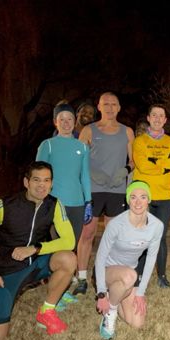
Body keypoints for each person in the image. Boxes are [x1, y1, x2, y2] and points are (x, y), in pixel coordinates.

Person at [0, 162, 76, 340]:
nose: (42, 185)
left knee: (68, 258)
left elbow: (69, 241)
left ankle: (47, 311)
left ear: (51, 183)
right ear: (26, 182)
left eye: (46, 180)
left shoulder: (54, 205)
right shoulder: (3, 206)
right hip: (7, 272)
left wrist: (35, 248)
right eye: (36, 180)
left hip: (36, 263)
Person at [73, 92, 135, 295]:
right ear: (99, 107)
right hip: (93, 191)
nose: (110, 107)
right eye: (105, 104)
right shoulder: (88, 131)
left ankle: (104, 275)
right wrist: (92, 173)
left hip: (117, 190)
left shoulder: (127, 132)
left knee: (112, 236)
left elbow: (133, 161)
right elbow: (79, 160)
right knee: (87, 234)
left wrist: (125, 170)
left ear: (119, 108)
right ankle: (81, 278)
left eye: (113, 104)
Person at [94, 181, 163, 340]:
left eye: (143, 197)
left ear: (149, 199)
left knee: (137, 323)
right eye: (133, 197)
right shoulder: (116, 224)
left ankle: (116, 296)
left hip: (129, 275)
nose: (138, 202)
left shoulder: (156, 226)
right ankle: (110, 312)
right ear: (127, 200)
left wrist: (140, 293)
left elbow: (151, 259)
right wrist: (101, 293)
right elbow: (100, 258)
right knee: (130, 275)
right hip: (108, 271)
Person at [132, 104, 170, 288]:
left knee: (160, 237)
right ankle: (137, 275)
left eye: (161, 116)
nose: (158, 119)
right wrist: (164, 164)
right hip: (143, 196)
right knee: (141, 236)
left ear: (165, 120)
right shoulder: (139, 141)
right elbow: (143, 165)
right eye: (154, 115)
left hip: (164, 195)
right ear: (148, 118)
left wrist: (155, 161)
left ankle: (162, 275)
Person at [36, 102, 92, 247]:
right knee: (55, 248)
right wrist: (39, 200)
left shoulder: (83, 147)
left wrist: (88, 201)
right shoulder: (47, 145)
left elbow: (85, 176)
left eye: (69, 119)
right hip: (53, 204)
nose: (66, 123)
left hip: (77, 205)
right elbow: (38, 176)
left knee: (72, 247)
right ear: (55, 122)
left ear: (75, 121)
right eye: (62, 119)